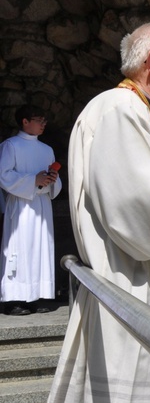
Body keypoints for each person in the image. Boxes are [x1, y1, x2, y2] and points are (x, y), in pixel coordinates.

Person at [49, 22, 150, 402]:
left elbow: (136, 193)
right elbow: (135, 212)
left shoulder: (133, 110)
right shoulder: (121, 108)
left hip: (143, 285)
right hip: (137, 290)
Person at [0, 105, 61, 316]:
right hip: (20, 205)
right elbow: (3, 174)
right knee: (19, 248)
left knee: (40, 248)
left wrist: (52, 181)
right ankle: (14, 299)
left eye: (44, 120)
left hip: (41, 206)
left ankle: (38, 295)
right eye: (39, 120)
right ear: (25, 121)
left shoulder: (46, 150)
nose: (43, 124)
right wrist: (32, 180)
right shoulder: (10, 146)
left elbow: (54, 180)